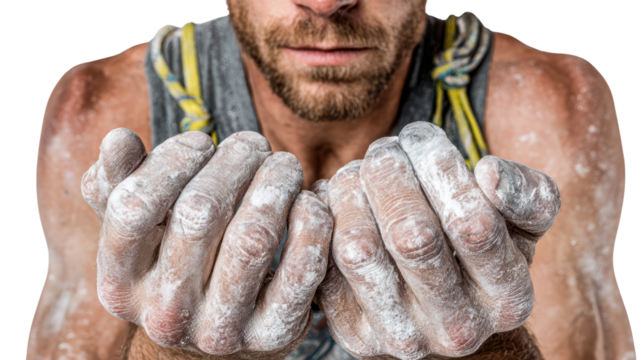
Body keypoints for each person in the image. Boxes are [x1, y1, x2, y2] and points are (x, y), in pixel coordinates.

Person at [32, 1, 631, 359]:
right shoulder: (99, 109)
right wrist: (176, 346)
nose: (325, 3)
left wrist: (486, 346)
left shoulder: (548, 107)